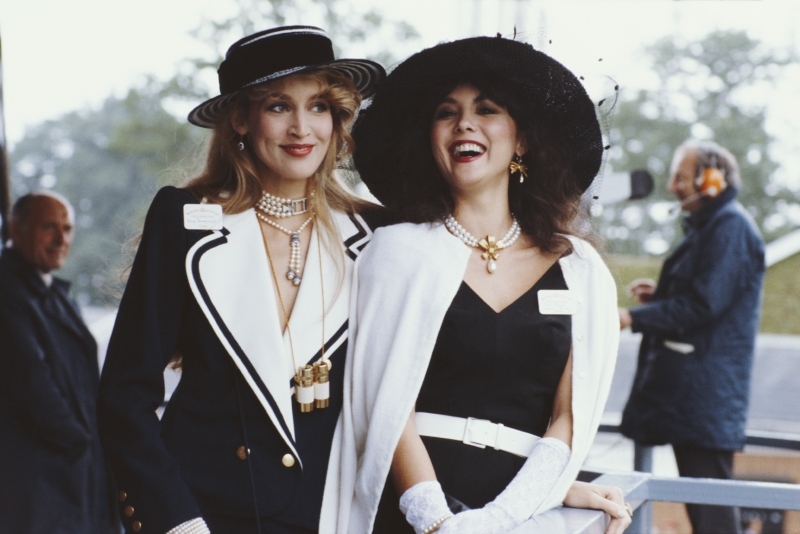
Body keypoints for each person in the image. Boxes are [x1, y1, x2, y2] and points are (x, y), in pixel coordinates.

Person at [321, 36, 627, 534]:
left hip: (523, 516)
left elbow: (568, 419)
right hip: (409, 514)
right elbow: (385, 405)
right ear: (430, 138)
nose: (465, 123)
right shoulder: (396, 252)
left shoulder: (582, 270)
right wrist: (438, 522)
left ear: (521, 139)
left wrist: (501, 519)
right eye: (447, 112)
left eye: (486, 110)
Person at [96, 26, 385, 534]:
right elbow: (125, 396)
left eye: (318, 106)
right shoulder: (182, 220)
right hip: (202, 513)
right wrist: (177, 522)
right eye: (278, 106)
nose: (302, 128)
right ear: (239, 120)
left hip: (327, 514)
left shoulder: (376, 232)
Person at [619, 140, 765, 534]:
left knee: (713, 521)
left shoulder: (730, 228)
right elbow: (707, 297)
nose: (671, 186)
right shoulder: (716, 227)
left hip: (703, 404)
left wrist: (632, 317)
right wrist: (661, 297)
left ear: (712, 180)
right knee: (709, 517)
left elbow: (701, 307)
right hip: (696, 404)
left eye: (680, 177)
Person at [0, 191, 118, 533]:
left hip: (67, 481)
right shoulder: (8, 292)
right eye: (48, 227)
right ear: (16, 229)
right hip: (41, 487)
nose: (61, 239)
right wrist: (82, 442)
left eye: (67, 228)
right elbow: (31, 386)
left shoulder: (52, 293)